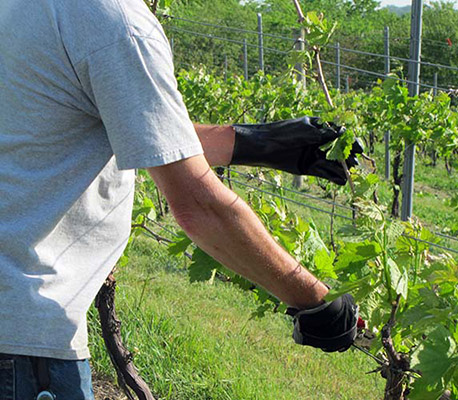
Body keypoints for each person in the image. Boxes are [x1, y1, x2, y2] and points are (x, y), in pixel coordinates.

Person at [0, 0, 361, 399]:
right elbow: (198, 207)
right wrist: (314, 299)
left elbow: (124, 122)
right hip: (25, 340)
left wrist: (259, 143)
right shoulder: (116, 22)